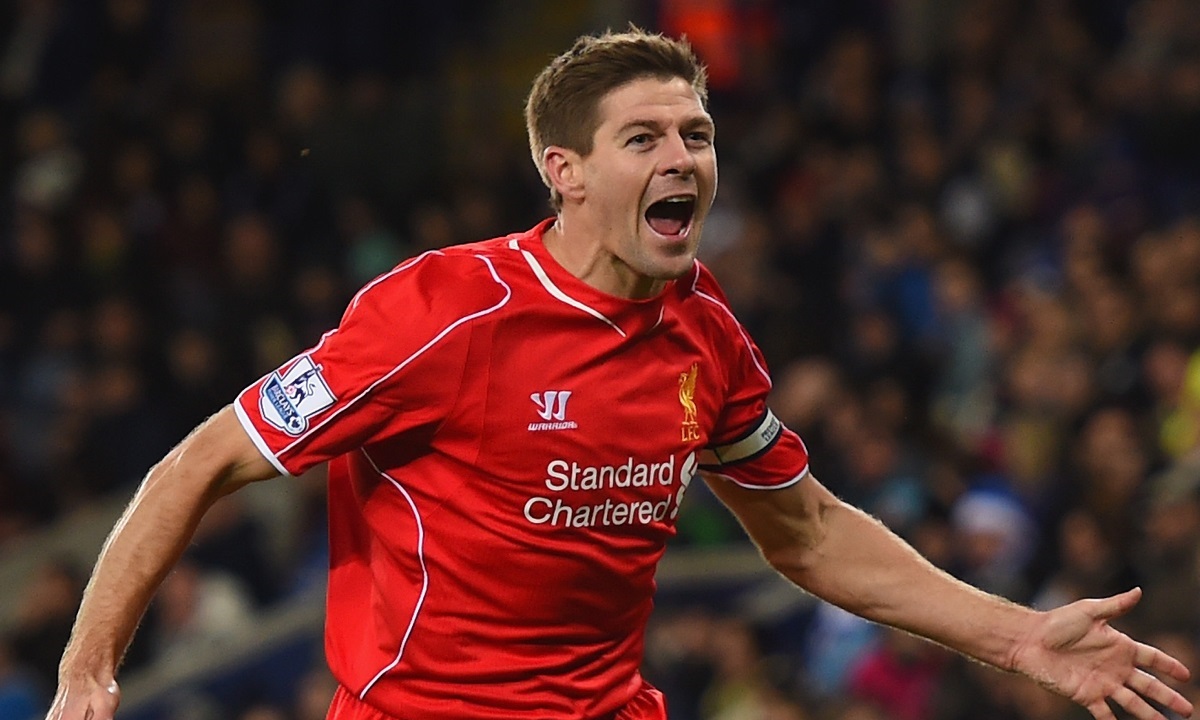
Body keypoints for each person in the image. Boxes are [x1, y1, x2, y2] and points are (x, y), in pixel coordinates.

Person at [46, 28, 1192, 720]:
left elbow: (806, 531)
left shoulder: (707, 335)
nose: (682, 158)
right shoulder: (441, 313)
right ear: (567, 171)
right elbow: (199, 463)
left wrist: (1019, 638)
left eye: (696, 135)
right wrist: (88, 674)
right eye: (644, 138)